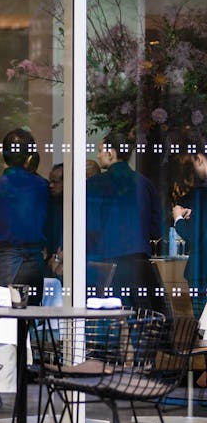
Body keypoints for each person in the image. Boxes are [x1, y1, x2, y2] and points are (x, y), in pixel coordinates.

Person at [87, 132, 162, 308]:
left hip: (108, 263)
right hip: (140, 263)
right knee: (142, 321)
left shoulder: (95, 184)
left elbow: (90, 227)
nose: (98, 155)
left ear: (111, 153)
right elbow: (156, 231)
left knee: (108, 322)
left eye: (100, 151)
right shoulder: (145, 184)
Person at [0, 129, 50, 299]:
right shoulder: (43, 186)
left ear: (2, 154)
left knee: (4, 314)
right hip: (35, 259)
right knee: (31, 314)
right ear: (30, 158)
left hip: (5, 258)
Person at [173, 152, 207, 300]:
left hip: (202, 273)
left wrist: (178, 218)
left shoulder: (202, 194)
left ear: (199, 159)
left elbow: (195, 236)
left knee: (202, 322)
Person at [44, 163, 64, 278]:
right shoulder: (49, 203)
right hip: (48, 262)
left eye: (55, 182)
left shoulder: (75, 207)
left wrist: (58, 258)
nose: (50, 185)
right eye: (50, 181)